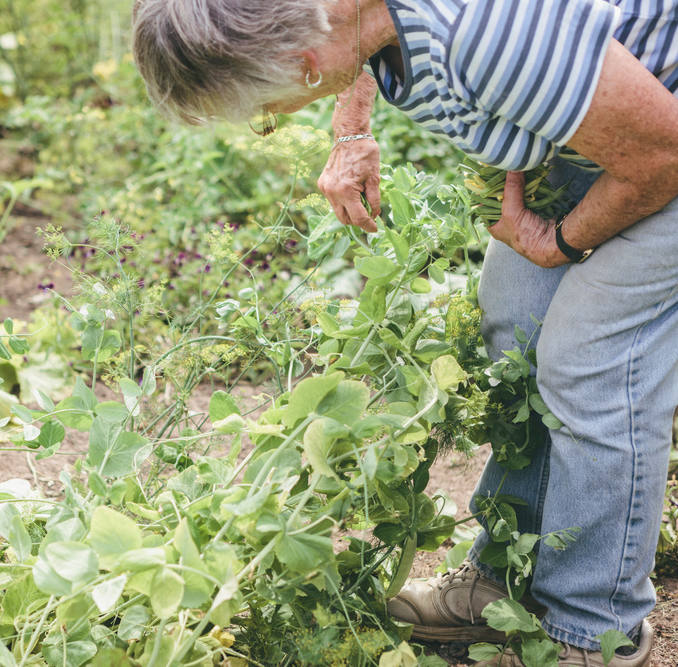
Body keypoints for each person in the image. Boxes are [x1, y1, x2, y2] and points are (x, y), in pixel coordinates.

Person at [131, 0, 678, 665]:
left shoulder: (482, 38)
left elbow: (662, 155)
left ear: (304, 65)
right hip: (588, 126)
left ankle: (596, 627)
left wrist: (559, 239)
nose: (268, 120)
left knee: (588, 359)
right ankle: (507, 577)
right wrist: (351, 124)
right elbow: (345, 34)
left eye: (264, 113)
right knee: (515, 324)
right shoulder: (340, 19)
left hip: (662, 144)